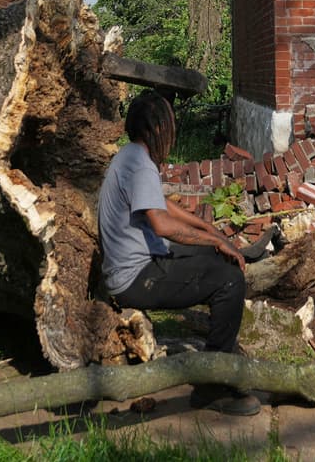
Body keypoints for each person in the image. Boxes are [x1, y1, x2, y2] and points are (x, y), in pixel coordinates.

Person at [97, 90, 261, 417]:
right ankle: (210, 386)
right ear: (157, 129)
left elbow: (163, 203)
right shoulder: (139, 164)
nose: (172, 136)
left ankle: (223, 353)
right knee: (228, 280)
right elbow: (162, 224)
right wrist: (214, 241)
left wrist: (212, 232)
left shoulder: (130, 156)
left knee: (220, 261)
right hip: (135, 279)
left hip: (135, 267)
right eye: (169, 128)